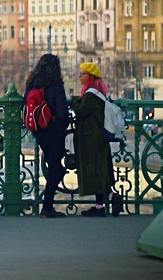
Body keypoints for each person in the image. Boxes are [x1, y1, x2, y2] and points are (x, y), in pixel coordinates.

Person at [70, 62, 123, 217]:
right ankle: (99, 206)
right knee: (99, 170)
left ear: (91, 77)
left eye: (83, 73)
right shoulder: (98, 93)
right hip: (97, 138)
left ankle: (112, 197)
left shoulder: (91, 95)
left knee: (95, 171)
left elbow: (80, 112)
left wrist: (74, 101)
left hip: (91, 139)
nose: (80, 76)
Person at [24, 54, 70, 218]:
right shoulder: (56, 86)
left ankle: (47, 204)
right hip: (55, 132)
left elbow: (25, 106)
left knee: (53, 167)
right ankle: (47, 206)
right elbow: (62, 113)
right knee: (56, 168)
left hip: (39, 132)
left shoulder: (32, 84)